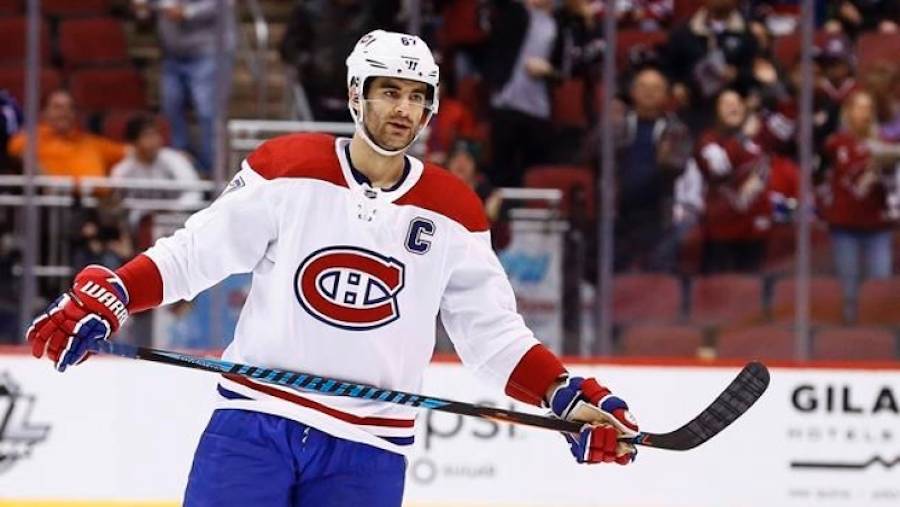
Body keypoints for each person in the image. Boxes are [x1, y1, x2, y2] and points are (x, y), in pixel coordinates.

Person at [26, 30, 640, 506]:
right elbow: (194, 255)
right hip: (256, 421)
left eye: (417, 96)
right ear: (355, 96)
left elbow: (493, 337)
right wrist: (112, 295)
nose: (404, 108)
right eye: (389, 91)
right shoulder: (288, 169)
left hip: (368, 449)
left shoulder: (453, 210)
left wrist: (562, 393)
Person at [820, 90, 900, 322]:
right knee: (849, 286)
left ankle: (880, 333)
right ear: (849, 112)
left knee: (879, 284)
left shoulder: (885, 142)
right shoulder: (837, 143)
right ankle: (851, 335)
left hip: (877, 226)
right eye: (860, 107)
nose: (865, 113)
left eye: (868, 108)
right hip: (845, 226)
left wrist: (885, 162)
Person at [132, 0, 236, 173]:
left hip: (209, 51)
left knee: (207, 112)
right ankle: (181, 166)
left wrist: (189, 12)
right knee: (171, 108)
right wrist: (142, 9)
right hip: (172, 54)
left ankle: (213, 171)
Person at [7, 90, 126, 178]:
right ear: (45, 112)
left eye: (70, 108)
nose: (64, 113)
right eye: (58, 107)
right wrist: (48, 181)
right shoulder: (31, 138)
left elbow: (130, 152)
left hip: (94, 204)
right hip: (52, 205)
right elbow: (17, 150)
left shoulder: (90, 141)